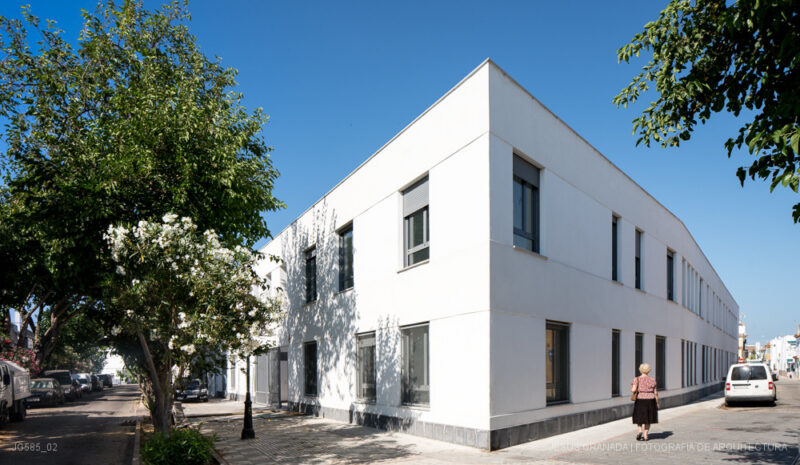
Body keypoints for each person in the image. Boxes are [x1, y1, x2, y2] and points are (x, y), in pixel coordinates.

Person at [631, 362, 659, 441]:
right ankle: (646, 435)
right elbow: (656, 393)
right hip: (650, 399)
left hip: (640, 399)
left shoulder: (637, 379)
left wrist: (633, 387)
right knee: (648, 417)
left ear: (640, 370)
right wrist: (657, 402)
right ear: (648, 370)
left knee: (639, 415)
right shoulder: (652, 380)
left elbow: (633, 390)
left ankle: (640, 431)